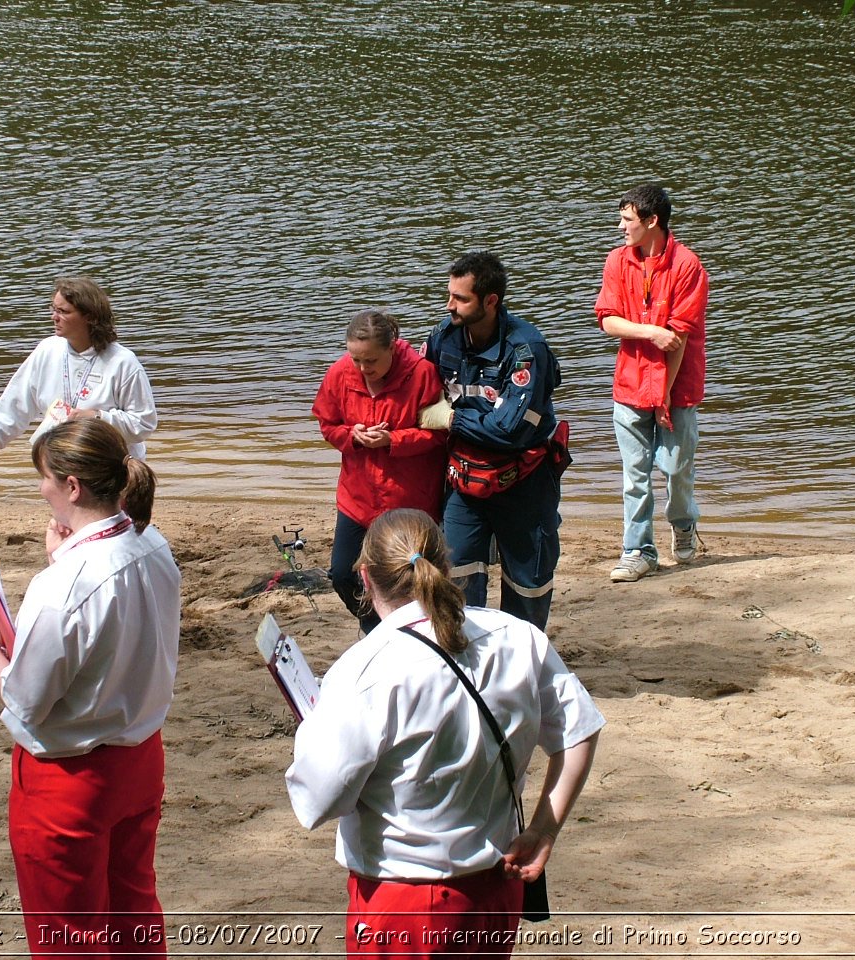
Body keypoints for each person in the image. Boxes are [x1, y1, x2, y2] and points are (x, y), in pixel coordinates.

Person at [286, 508, 603, 958]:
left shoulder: (362, 670)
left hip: (404, 902)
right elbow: (579, 732)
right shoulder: (519, 636)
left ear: (365, 578)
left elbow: (317, 801)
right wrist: (544, 830)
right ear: (446, 565)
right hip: (496, 889)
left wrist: (311, 732)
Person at [0, 417, 179, 955]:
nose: (40, 489)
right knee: (134, 916)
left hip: (69, 782)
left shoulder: (62, 584)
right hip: (139, 760)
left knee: (68, 937)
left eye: (44, 478)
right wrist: (61, 558)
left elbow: (25, 699)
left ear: (72, 486)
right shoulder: (153, 545)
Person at [418, 251, 565, 630]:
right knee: (454, 577)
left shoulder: (526, 350)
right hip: (464, 481)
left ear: (491, 301)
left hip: (524, 482)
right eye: (449, 294)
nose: (449, 305)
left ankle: (522, 661)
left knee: (528, 584)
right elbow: (417, 388)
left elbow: (508, 431)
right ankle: (465, 659)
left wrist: (451, 418)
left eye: (460, 298)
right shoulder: (443, 336)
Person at [594, 184, 709, 583]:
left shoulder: (688, 266)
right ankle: (638, 551)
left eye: (627, 219)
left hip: (677, 386)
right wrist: (648, 332)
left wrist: (663, 395)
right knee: (635, 475)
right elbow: (608, 320)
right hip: (629, 384)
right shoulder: (616, 261)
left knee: (676, 468)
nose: (621, 226)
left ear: (652, 221)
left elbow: (677, 338)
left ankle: (682, 521)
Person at [312, 309, 448, 633]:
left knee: (410, 578)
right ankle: (379, 632)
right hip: (358, 498)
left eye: (370, 361)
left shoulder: (422, 374)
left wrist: (393, 440)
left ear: (392, 347)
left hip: (409, 498)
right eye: (355, 360)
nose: (362, 369)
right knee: (343, 573)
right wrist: (352, 436)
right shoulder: (339, 373)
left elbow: (440, 433)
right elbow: (327, 424)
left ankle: (423, 633)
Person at [0, 277, 158, 481]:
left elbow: (144, 423)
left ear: (90, 317)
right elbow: (14, 404)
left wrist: (97, 418)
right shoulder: (47, 350)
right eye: (53, 309)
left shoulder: (123, 362)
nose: (54, 317)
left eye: (63, 312)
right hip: (62, 465)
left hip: (111, 470)